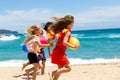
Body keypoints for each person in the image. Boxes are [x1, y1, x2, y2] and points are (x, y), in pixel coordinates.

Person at [48, 15, 80, 80]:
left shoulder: (63, 31)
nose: (73, 24)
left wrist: (64, 52)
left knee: (60, 69)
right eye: (73, 23)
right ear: (69, 24)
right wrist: (74, 46)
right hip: (59, 52)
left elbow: (60, 42)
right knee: (68, 68)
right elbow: (64, 43)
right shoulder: (67, 32)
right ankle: (51, 73)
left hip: (57, 51)